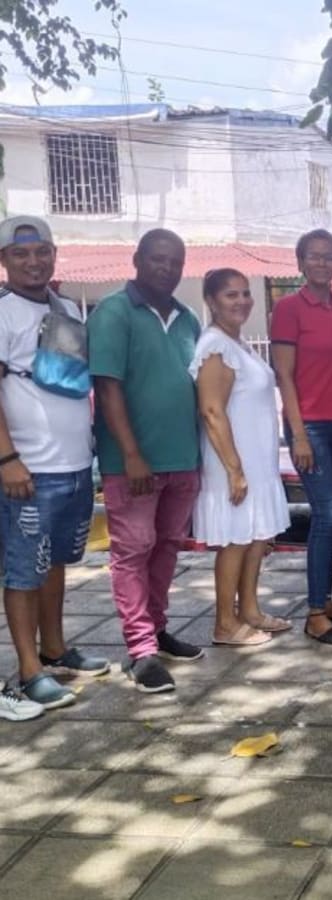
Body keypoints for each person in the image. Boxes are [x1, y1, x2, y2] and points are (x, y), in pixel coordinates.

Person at [0, 215, 109, 719]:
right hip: (28, 468)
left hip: (74, 462)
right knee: (23, 570)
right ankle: (28, 670)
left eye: (41, 251)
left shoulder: (64, 307)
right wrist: (7, 458)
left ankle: (55, 649)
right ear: (4, 260)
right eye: (20, 253)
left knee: (55, 562)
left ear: (54, 255)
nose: (33, 261)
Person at [89, 228, 205, 693]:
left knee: (168, 547)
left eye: (175, 261)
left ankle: (156, 628)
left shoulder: (188, 318)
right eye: (158, 259)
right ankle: (140, 650)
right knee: (133, 551)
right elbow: (107, 386)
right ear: (137, 260)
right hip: (132, 464)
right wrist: (132, 454)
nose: (167, 268)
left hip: (183, 457)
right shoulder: (114, 312)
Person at [270, 229, 332, 646]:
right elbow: (284, 375)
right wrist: (298, 435)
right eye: (314, 256)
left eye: (330, 256)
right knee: (326, 514)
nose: (322, 263)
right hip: (309, 427)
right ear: (300, 262)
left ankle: (326, 600)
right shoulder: (288, 309)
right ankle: (314, 614)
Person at [190, 268, 292, 646]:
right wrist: (234, 469)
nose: (242, 301)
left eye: (245, 293)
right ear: (211, 301)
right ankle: (224, 623)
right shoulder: (215, 346)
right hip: (232, 462)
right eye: (230, 295)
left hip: (257, 460)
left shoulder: (239, 343)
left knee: (255, 537)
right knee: (235, 540)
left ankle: (249, 609)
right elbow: (211, 411)